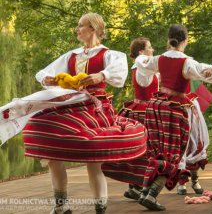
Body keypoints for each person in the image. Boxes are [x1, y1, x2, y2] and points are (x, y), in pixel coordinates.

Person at [19, 13, 147, 214]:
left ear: (93, 29)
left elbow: (118, 71)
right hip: (70, 104)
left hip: (95, 106)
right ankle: (61, 207)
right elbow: (43, 72)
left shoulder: (107, 54)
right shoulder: (72, 55)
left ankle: (100, 208)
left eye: (81, 26)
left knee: (93, 160)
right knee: (48, 144)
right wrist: (48, 80)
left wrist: (101, 75)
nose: (77, 29)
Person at [133, 24, 212, 211]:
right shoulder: (186, 62)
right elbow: (210, 74)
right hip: (174, 110)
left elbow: (140, 62)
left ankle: (145, 192)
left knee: (158, 152)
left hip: (156, 107)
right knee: (173, 155)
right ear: (185, 40)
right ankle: (152, 194)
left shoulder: (158, 59)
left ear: (168, 39)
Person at [103, 37, 158, 201]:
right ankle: (140, 187)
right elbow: (147, 83)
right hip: (144, 111)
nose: (152, 49)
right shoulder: (142, 69)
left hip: (142, 109)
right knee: (147, 149)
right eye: (149, 47)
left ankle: (134, 187)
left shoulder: (143, 67)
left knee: (142, 148)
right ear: (141, 52)